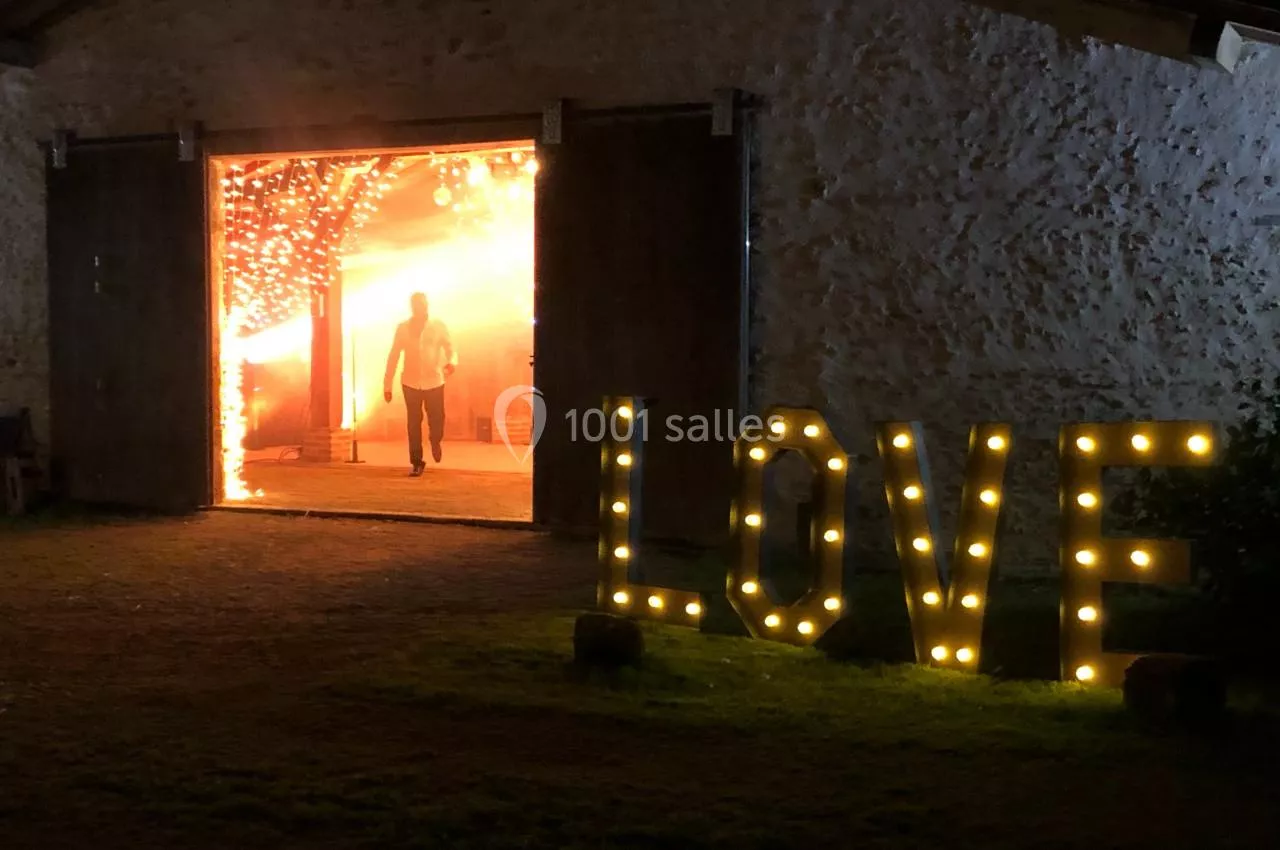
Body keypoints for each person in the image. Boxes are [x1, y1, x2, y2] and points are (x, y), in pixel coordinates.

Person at [383, 292, 456, 476]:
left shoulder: (437, 326)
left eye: (421, 305)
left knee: (437, 418)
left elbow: (450, 348)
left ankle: (435, 440)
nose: (419, 308)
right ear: (412, 307)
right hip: (410, 382)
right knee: (413, 423)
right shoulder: (402, 328)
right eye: (415, 305)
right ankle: (416, 461)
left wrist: (451, 362)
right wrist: (387, 385)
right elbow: (394, 355)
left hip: (434, 381)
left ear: (426, 306)